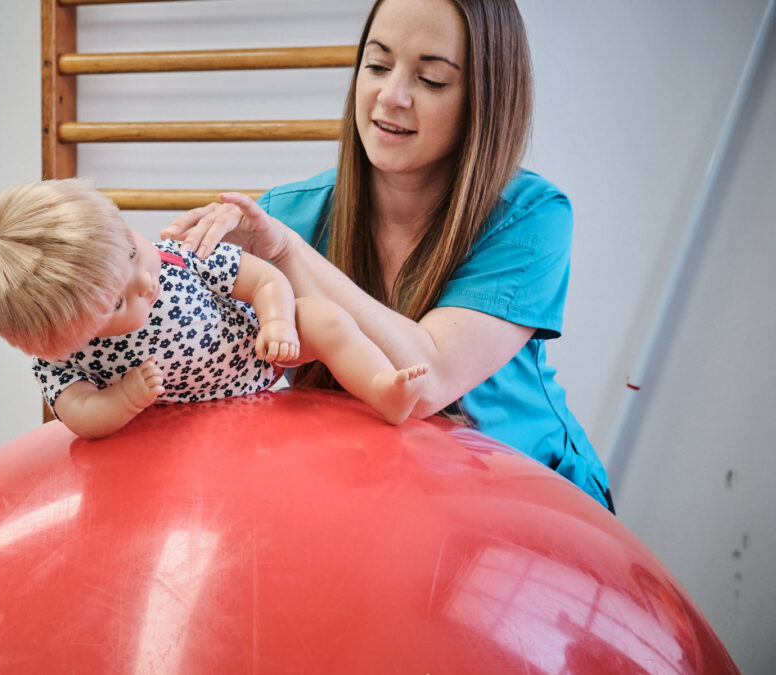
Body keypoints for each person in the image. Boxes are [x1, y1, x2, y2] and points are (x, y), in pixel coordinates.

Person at [161, 0, 614, 511]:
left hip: (527, 504)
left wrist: (287, 253)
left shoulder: (531, 215)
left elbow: (428, 381)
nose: (391, 96)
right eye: (377, 66)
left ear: (485, 100)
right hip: (372, 506)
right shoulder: (289, 212)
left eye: (432, 80)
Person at [0, 178, 430, 439]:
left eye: (131, 253)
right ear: (70, 336)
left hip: (259, 354)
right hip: (197, 426)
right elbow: (81, 416)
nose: (146, 283)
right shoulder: (62, 358)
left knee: (326, 320)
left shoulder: (176, 258)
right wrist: (123, 399)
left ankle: (380, 387)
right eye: (115, 302)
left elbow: (264, 278)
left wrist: (276, 320)